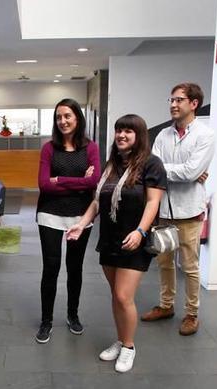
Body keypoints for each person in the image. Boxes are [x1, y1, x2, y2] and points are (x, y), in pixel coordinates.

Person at [68, 114, 166, 372]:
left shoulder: (151, 165)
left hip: (134, 240)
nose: (121, 135)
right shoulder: (112, 165)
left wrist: (140, 232)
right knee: (116, 296)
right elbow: (98, 201)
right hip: (110, 239)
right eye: (119, 130)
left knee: (124, 296)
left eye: (128, 131)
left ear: (139, 135)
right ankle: (121, 340)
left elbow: (153, 202)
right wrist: (82, 223)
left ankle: (129, 347)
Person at [141, 82, 215, 336]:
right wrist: (185, 173)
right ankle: (166, 305)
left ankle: (192, 314)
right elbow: (152, 167)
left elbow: (190, 171)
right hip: (163, 209)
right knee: (164, 262)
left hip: (189, 211)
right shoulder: (163, 135)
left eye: (179, 100)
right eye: (171, 100)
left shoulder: (204, 135)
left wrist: (179, 172)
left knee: (190, 265)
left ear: (194, 104)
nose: (173, 104)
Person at [35, 98, 101, 344]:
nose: (62, 121)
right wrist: (77, 184)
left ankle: (73, 315)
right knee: (51, 268)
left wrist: (58, 180)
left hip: (81, 217)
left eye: (67, 116)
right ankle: (46, 320)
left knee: (75, 268)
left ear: (77, 118)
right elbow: (42, 184)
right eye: (58, 117)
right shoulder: (48, 149)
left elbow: (93, 183)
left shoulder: (91, 148)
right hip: (49, 214)